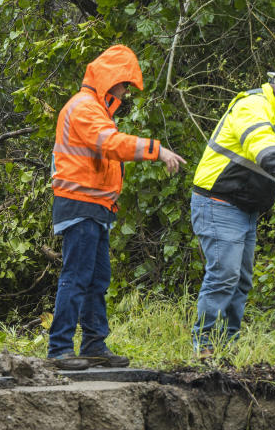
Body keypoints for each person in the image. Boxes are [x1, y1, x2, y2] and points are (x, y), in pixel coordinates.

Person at [48, 44, 187, 371]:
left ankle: (94, 345)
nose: (125, 93)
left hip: (94, 207)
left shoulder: (95, 110)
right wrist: (157, 150)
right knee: (77, 277)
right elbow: (112, 145)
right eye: (124, 85)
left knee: (96, 280)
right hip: (80, 205)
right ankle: (59, 349)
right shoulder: (85, 109)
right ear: (110, 80)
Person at [189, 60, 275, 357]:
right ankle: (204, 347)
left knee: (240, 280)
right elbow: (259, 141)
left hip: (243, 208)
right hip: (219, 202)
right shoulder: (253, 105)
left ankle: (227, 347)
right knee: (224, 275)